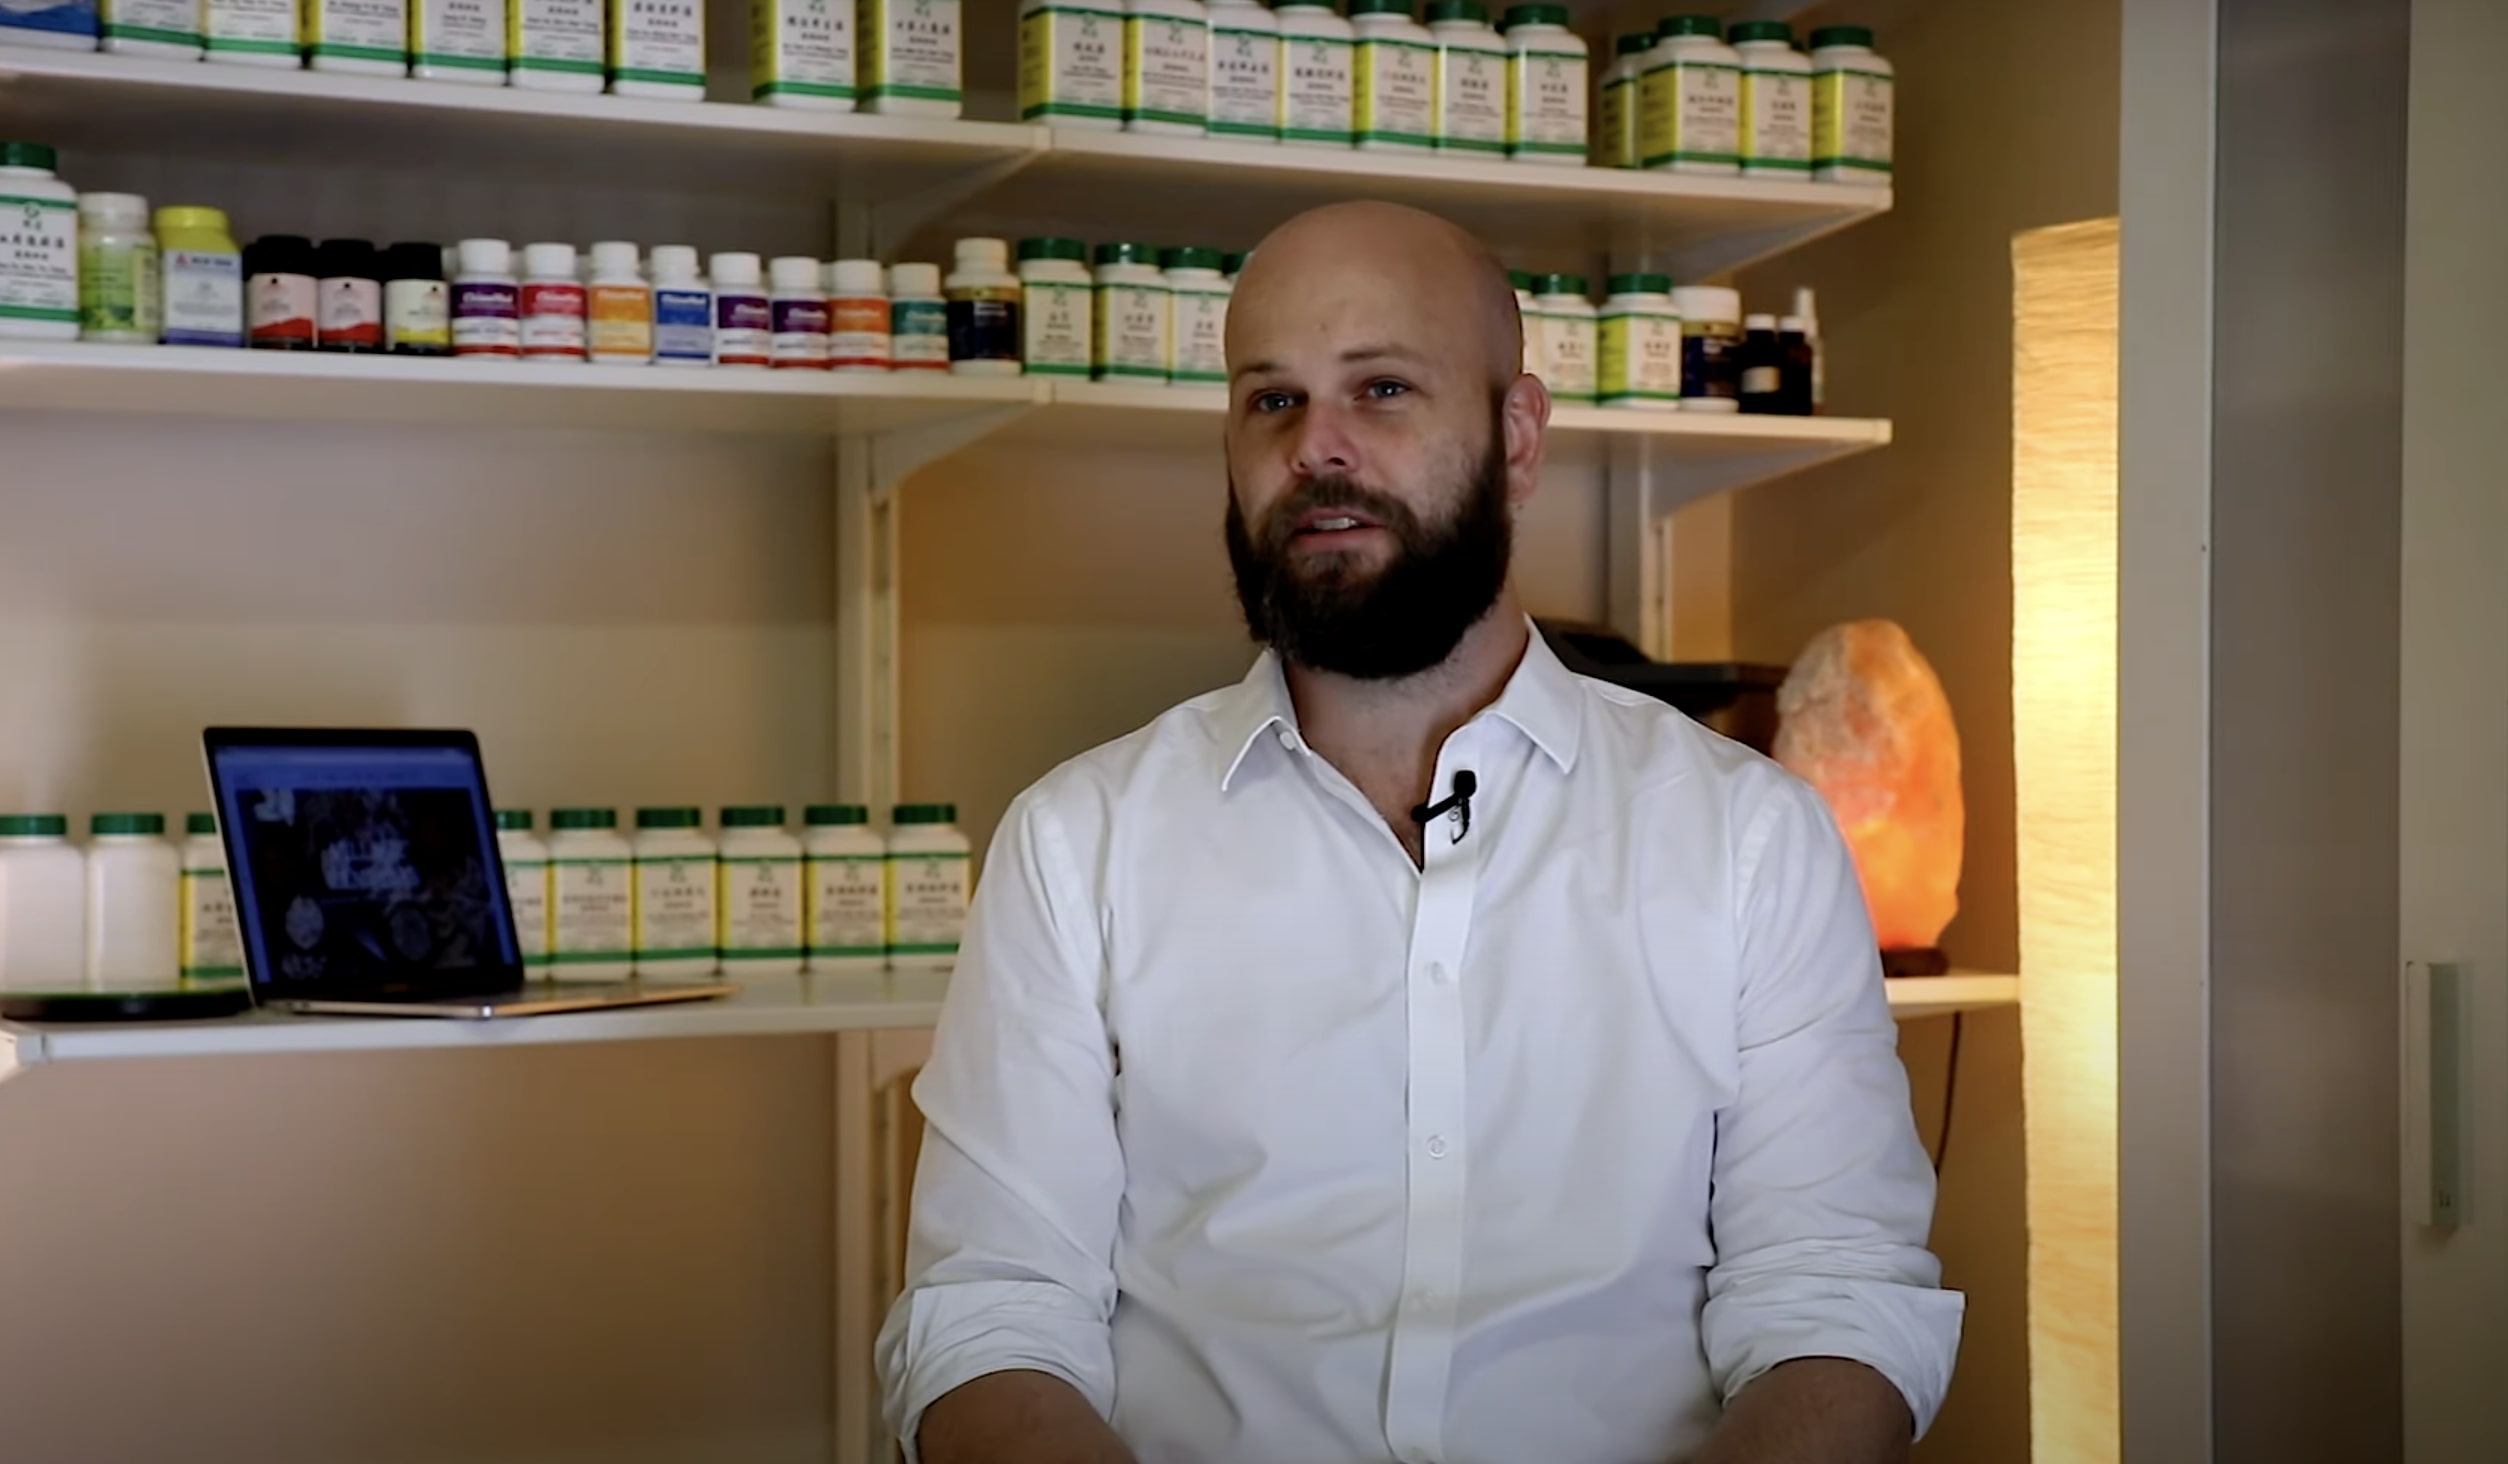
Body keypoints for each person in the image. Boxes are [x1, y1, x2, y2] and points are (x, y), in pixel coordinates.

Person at [876, 201, 1963, 1464]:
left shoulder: (1749, 842)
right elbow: (989, 1316)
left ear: (1516, 437)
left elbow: (1834, 1299)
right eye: (1270, 401)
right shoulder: (1078, 847)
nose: (1316, 450)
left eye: (1382, 388)